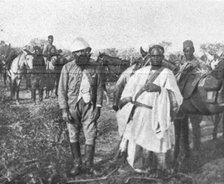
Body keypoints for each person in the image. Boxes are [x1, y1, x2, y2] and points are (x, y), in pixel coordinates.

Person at [116, 45, 183, 175]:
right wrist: (126, 99)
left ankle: (158, 167)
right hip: (139, 112)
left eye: (159, 56)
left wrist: (159, 89)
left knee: (156, 141)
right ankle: (138, 166)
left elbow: (176, 97)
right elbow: (130, 88)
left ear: (163, 57)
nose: (156, 58)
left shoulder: (167, 73)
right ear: (149, 56)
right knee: (136, 139)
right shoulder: (141, 71)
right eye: (153, 56)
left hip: (156, 113)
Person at [58, 37, 103, 176]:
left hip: (89, 106)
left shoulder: (96, 66)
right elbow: (61, 90)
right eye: (77, 53)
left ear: (87, 52)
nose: (81, 55)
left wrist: (98, 107)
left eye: (84, 52)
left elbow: (100, 88)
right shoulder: (67, 68)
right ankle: (77, 164)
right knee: (73, 134)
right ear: (73, 54)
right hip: (72, 106)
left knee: (91, 135)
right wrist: (64, 109)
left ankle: (89, 165)